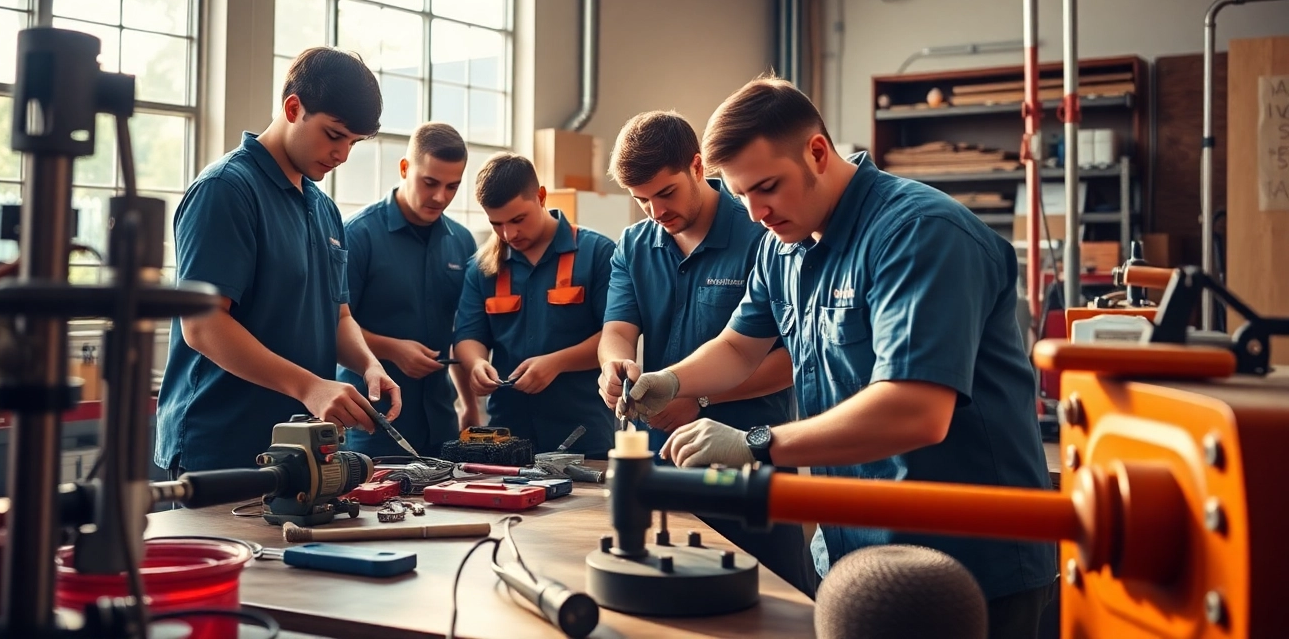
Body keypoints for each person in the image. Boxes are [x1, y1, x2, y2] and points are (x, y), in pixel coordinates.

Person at [606, 77, 1057, 638]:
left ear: (818, 152)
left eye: (767, 187)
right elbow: (738, 346)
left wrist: (757, 443)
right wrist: (670, 380)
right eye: (741, 193)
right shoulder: (782, 247)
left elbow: (916, 409)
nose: (755, 212)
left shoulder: (918, 233)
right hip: (851, 550)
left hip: (966, 562)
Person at [597, 110, 815, 596]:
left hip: (749, 453)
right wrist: (615, 365)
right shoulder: (635, 245)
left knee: (777, 599)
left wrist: (698, 401)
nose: (655, 211)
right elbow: (616, 330)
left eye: (666, 193)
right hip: (660, 456)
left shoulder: (764, 231)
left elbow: (788, 359)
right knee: (670, 594)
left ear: (697, 167)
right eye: (641, 200)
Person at [155, 47, 400, 473]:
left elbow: (339, 316)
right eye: (334, 134)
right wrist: (310, 387)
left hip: (298, 449)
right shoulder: (225, 191)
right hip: (220, 447)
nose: (342, 154)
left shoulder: (324, 209)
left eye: (353, 143)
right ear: (293, 108)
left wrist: (369, 364)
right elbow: (202, 325)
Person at [453, 153, 616, 458]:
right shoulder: (483, 267)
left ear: (541, 196)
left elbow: (617, 337)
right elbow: (468, 336)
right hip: (508, 435)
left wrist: (557, 363)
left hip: (583, 432)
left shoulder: (598, 254)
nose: (508, 234)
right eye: (496, 223)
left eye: (518, 219)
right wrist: (475, 364)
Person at [337, 122, 479, 458]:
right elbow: (330, 326)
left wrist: (469, 405)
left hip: (442, 424)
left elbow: (461, 332)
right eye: (429, 182)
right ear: (404, 168)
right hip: (372, 424)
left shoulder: (462, 241)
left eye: (452, 186)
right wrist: (393, 350)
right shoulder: (355, 236)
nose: (440, 197)